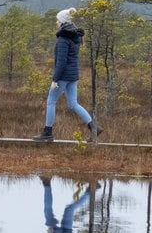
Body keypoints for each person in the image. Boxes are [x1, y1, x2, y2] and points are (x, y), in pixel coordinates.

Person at [32, 8, 102, 142]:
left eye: (58, 20)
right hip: (73, 76)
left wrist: (55, 79)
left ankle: (47, 133)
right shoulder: (75, 37)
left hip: (63, 76)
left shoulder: (63, 39)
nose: (56, 22)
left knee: (51, 102)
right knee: (73, 103)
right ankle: (94, 128)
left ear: (63, 22)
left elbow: (61, 61)